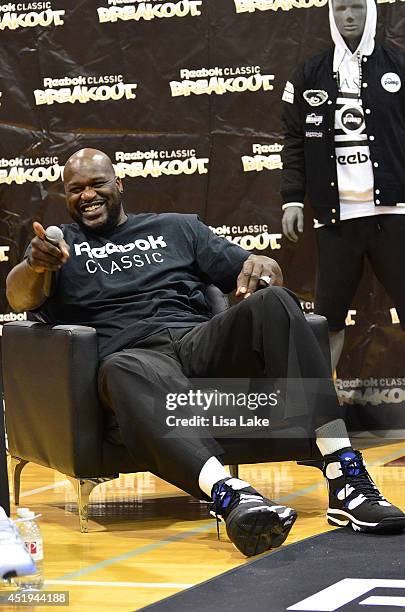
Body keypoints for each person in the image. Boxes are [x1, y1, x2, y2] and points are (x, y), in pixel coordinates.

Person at [6, 148, 405, 558]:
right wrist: (35, 268)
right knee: (123, 367)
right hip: (134, 355)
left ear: (119, 185)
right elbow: (19, 297)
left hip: (198, 342)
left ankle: (345, 476)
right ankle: (233, 496)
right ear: (65, 197)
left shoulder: (177, 229)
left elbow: (257, 268)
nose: (87, 195)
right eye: (75, 189)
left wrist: (264, 266)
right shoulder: (55, 248)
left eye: (97, 184)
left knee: (278, 301)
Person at [281, 0, 405, 371]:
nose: (348, 17)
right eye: (340, 9)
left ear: (372, 12)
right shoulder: (310, 73)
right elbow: (293, 139)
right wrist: (291, 199)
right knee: (327, 323)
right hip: (336, 220)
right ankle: (321, 422)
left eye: (356, 8)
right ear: (331, 15)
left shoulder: (398, 66)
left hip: (395, 214)